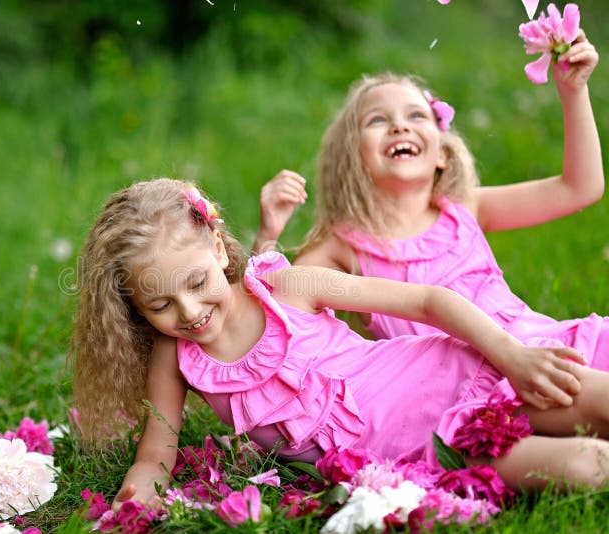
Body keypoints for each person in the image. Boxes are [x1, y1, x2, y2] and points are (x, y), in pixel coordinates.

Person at [71, 177, 609, 511]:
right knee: (588, 466)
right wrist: (138, 491)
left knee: (598, 401)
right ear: (133, 309)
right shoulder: (177, 360)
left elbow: (427, 301)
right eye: (160, 307)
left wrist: (511, 355)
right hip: (420, 456)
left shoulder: (285, 286)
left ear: (216, 244)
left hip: (449, 375)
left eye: (196, 284)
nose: (189, 314)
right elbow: (156, 456)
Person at [255, 31, 605, 360]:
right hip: (461, 385)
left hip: (544, 346)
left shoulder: (466, 209)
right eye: (377, 120)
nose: (399, 126)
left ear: (442, 154)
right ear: (352, 159)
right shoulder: (344, 247)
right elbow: (277, 316)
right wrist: (268, 235)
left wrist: (573, 91)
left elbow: (580, 188)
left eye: (417, 115)